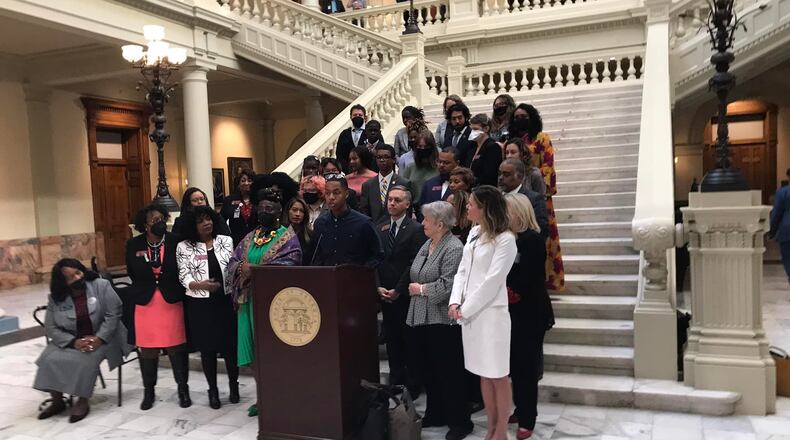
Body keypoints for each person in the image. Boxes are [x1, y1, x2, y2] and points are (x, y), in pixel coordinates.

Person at [395, 201, 473, 440]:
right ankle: (436, 413)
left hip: (442, 320)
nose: (423, 223)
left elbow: (449, 285)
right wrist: (417, 288)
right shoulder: (427, 244)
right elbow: (414, 271)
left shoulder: (454, 247)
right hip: (420, 317)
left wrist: (420, 289)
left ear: (440, 224)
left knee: (449, 373)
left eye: (426, 220)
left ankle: (460, 421)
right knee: (428, 371)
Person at [226, 188, 303, 416]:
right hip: (248, 302)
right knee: (254, 352)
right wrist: (242, 268)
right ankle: (262, 398)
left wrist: (256, 270)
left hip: (273, 306)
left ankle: (280, 397)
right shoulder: (250, 237)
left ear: (279, 213)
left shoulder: (287, 239)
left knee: (273, 353)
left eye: (269, 209)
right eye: (261, 209)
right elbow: (232, 262)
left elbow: (292, 264)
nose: (264, 212)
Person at [449, 185, 517, 440]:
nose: (467, 207)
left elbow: (492, 280)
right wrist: (455, 302)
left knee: (498, 375)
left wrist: (465, 309)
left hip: (491, 315)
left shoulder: (506, 239)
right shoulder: (474, 233)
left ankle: (501, 430)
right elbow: (463, 271)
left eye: (471, 203)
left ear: (485, 207)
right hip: (470, 315)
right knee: (482, 373)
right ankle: (490, 426)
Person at [33, 259, 131, 423]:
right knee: (48, 359)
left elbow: (113, 315)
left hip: (105, 336)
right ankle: (57, 401)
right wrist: (73, 342)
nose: (78, 278)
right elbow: (51, 327)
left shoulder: (101, 285)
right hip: (71, 339)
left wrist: (99, 338)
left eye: (79, 272)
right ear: (63, 282)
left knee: (85, 361)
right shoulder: (57, 297)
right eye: (71, 277)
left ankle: (83, 401)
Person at [126, 204, 191, 410]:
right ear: (144, 224)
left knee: (176, 347)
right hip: (146, 303)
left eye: (162, 218)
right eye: (154, 220)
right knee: (148, 350)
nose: (160, 222)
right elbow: (132, 272)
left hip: (170, 300)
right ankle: (149, 391)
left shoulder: (175, 241)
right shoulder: (134, 244)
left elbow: (183, 268)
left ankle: (183, 389)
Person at [176, 206, 238, 409]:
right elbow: (184, 276)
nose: (207, 223)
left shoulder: (225, 241)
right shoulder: (184, 247)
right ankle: (213, 390)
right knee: (207, 349)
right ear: (193, 226)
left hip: (225, 301)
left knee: (230, 348)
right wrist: (200, 285)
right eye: (201, 221)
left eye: (209, 219)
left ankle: (233, 385)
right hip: (200, 304)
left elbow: (235, 266)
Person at [504, 193, 555, 440]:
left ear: (518, 213)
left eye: (507, 211)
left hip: (530, 311)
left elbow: (530, 276)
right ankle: (519, 407)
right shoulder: (508, 239)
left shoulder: (532, 240)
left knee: (526, 367)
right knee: (514, 365)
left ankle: (527, 418)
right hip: (511, 310)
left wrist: (511, 291)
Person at [375, 186, 426, 391]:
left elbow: (413, 263)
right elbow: (376, 259)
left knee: (409, 342)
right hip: (385, 295)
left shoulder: (415, 229)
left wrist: (398, 289)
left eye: (397, 200)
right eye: (390, 200)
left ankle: (412, 386)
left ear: (407, 204)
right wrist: (378, 286)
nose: (392, 203)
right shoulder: (381, 227)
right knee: (393, 342)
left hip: (406, 295)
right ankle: (395, 383)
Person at [510, 103, 565, 291]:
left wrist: (530, 181)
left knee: (544, 237)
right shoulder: (512, 140)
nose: (520, 119)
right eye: (516, 116)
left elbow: (548, 166)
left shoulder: (542, 138)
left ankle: (549, 280)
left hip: (538, 193)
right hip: (514, 197)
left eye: (524, 116)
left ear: (532, 117)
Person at [310, 175, 384, 267]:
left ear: (346, 194)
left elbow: (378, 255)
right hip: (327, 277)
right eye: (327, 193)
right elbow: (316, 256)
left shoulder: (363, 223)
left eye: (336, 193)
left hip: (355, 278)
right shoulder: (320, 223)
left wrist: (362, 271)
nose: (331, 197)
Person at [360, 144, 412, 223]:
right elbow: (364, 212)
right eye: (379, 157)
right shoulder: (367, 185)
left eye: (386, 157)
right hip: (374, 230)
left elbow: (407, 212)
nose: (382, 160)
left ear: (393, 159)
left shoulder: (404, 183)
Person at [498, 159, 549, 240]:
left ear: (520, 177)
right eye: (499, 174)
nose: (501, 178)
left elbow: (542, 229)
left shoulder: (534, 198)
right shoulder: (496, 197)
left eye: (506, 174)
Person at [336, 104, 383, 174]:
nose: (357, 117)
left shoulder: (373, 130)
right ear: (351, 117)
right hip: (348, 173)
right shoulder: (344, 134)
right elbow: (339, 155)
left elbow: (381, 150)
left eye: (360, 115)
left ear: (365, 117)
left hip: (369, 172)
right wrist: (347, 169)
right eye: (355, 115)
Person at [221, 169, 257, 246]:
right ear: (238, 184)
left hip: (256, 241)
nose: (246, 183)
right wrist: (227, 235)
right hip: (236, 241)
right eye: (243, 181)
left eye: (249, 180)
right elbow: (221, 221)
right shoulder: (229, 200)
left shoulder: (258, 199)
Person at [403, 130, 439, 205]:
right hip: (415, 209)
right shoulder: (410, 167)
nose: (422, 150)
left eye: (426, 147)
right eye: (419, 146)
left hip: (435, 208)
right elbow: (404, 190)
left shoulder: (439, 168)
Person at [468, 113, 504, 187]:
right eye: (471, 129)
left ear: (486, 129)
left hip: (486, 189)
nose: (472, 132)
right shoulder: (472, 147)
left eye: (475, 129)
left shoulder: (493, 147)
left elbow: (490, 174)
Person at [770, 168, 790, 284]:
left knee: (788, 259)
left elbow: (777, 213)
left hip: (787, 231)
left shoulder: (783, 192)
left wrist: (772, 232)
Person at [284, 197, 314, 261]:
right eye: (294, 210)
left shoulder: (310, 235)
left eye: (301, 211)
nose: (298, 214)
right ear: (288, 211)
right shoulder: (279, 232)